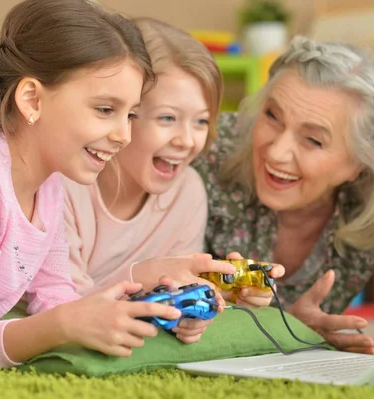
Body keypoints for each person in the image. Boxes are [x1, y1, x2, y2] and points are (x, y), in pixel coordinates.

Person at [0, 0, 183, 368]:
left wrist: (148, 307)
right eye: (105, 110)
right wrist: (64, 324)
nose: (125, 135)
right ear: (32, 99)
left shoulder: (49, 185)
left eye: (131, 115)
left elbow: (56, 297)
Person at [193, 35, 374, 355]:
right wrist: (287, 328)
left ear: (359, 164)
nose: (276, 153)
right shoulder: (205, 148)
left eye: (313, 140)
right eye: (272, 116)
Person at [63, 18, 284, 344]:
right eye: (167, 118)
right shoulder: (65, 184)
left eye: (201, 121)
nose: (186, 140)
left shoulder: (188, 192)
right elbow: (59, 305)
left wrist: (200, 304)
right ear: (120, 113)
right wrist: (143, 275)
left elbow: (172, 293)